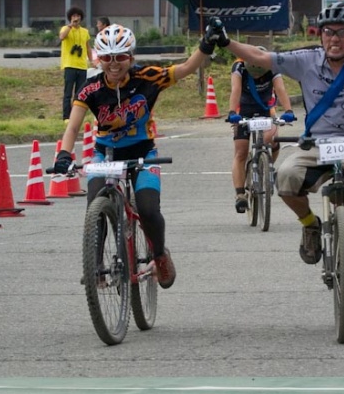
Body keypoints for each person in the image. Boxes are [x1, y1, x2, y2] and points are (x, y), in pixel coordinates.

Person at [209, 0, 344, 297]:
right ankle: (310, 225)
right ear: (320, 35)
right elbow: (261, 58)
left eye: (343, 33)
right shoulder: (305, 61)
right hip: (316, 145)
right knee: (285, 176)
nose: (335, 39)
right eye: (329, 32)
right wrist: (226, 42)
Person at [52, 23, 223, 290]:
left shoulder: (149, 77)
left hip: (144, 153)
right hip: (105, 154)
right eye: (106, 58)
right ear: (99, 58)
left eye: (120, 57)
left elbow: (187, 68)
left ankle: (159, 256)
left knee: (148, 209)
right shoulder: (90, 87)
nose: (113, 64)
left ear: (131, 57)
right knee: (94, 203)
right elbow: (73, 125)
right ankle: (95, 267)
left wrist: (206, 43)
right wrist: (64, 153)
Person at [227, 47, 295, 213]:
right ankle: (240, 194)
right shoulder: (239, 67)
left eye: (260, 75)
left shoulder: (273, 65)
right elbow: (235, 90)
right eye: (254, 75)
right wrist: (232, 112)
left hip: (265, 108)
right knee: (241, 151)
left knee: (272, 139)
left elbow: (280, 89)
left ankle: (268, 163)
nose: (257, 78)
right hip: (243, 110)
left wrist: (288, 111)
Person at [59, 6, 92, 123]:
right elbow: (62, 37)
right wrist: (70, 26)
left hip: (82, 66)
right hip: (69, 65)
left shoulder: (85, 32)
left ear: (81, 18)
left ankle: (75, 116)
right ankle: (66, 116)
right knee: (68, 92)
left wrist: (91, 60)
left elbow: (88, 47)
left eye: (78, 16)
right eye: (73, 16)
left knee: (79, 93)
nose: (76, 18)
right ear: (70, 18)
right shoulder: (65, 28)